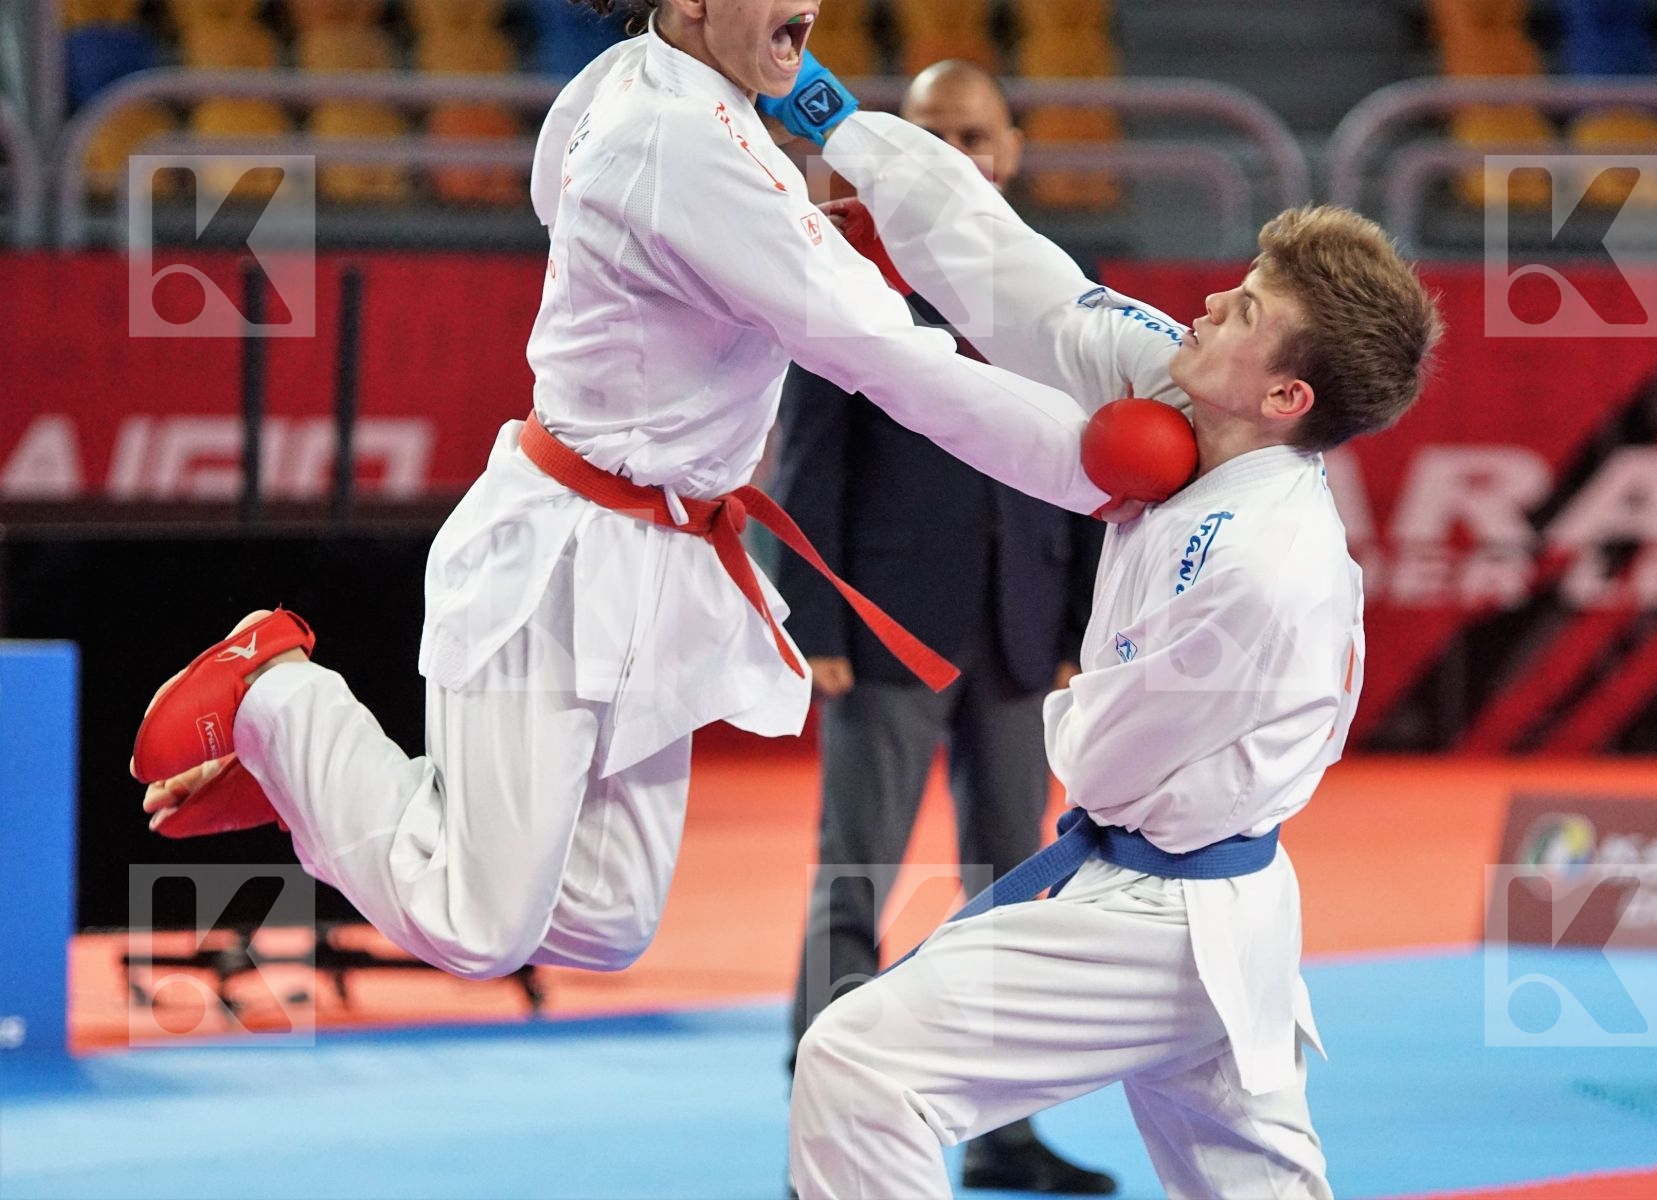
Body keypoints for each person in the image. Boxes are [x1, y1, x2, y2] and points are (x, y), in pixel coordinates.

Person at [130, 1, 1145, 986]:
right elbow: (892, 361)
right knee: (476, 924)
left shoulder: (661, 90)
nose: (811, 5)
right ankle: (280, 698)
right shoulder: (677, 137)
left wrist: (780, 239)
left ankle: (336, 787)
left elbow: (571, 200)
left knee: (610, 916)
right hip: (561, 556)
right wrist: (1099, 472)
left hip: (668, 556)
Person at [770, 58, 1443, 1199]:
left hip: (1161, 912)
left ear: (1288, 398)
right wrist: (826, 111)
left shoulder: (1266, 567)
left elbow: (1101, 760)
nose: (1209, 304)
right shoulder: (1188, 402)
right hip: (1198, 910)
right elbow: (1011, 273)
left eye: (1246, 312)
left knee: (858, 1061)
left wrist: (1090, 523)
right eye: (1236, 282)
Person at [777, 60, 1112, 1195]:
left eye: (975, 134)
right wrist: (814, 613)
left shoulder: (1062, 286)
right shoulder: (851, 273)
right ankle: (819, 1119)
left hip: (1021, 632)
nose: (958, 154)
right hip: (883, 629)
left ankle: (1003, 1131)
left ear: (1013, 149)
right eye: (934, 134)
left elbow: (1095, 468)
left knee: (1013, 893)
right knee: (855, 876)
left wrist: (1079, 620)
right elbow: (807, 463)